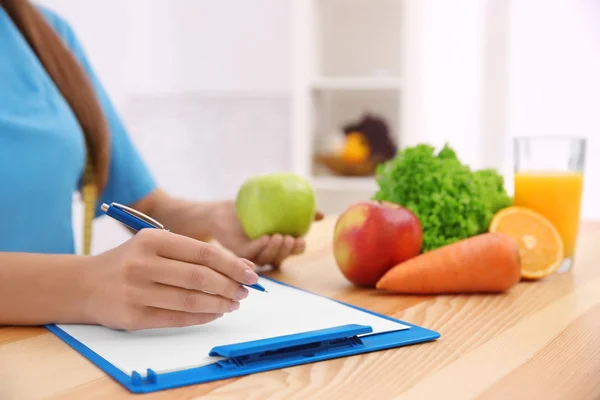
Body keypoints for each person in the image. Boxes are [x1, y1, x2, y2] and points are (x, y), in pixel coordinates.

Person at [0, 1, 320, 331]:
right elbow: (89, 282)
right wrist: (86, 285)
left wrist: (216, 219)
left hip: (57, 351)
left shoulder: (44, 32)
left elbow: (142, 204)